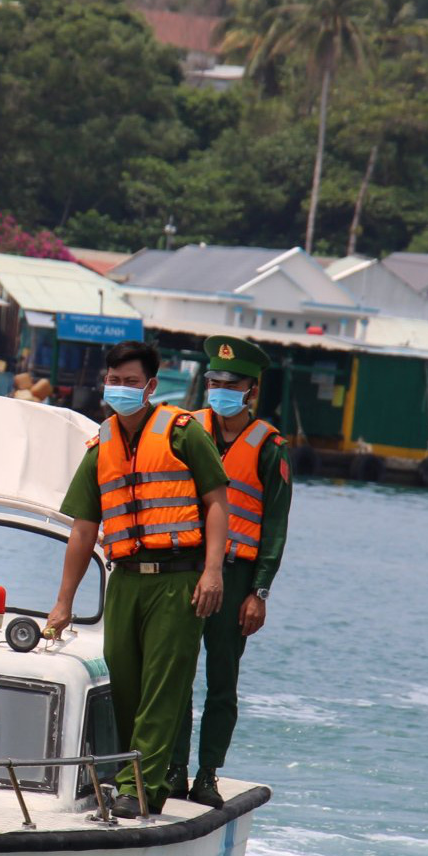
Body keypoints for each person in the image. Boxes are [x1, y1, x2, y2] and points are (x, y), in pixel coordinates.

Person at [47, 340, 229, 818]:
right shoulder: (100, 445)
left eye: (131, 382)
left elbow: (216, 503)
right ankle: (144, 771)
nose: (121, 389)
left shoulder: (184, 433)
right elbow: (84, 530)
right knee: (123, 686)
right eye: (114, 380)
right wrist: (63, 603)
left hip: (178, 579)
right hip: (124, 579)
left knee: (161, 687)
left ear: (151, 386)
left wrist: (213, 571)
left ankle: (137, 786)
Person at [170, 335, 292, 808]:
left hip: (238, 575)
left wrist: (259, 592)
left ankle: (207, 774)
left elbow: (276, 523)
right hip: (185, 569)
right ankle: (173, 768)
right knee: (176, 673)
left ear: (251, 391)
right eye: (213, 381)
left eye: (230, 383)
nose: (218, 389)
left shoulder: (269, 445)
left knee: (222, 681)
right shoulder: (186, 430)